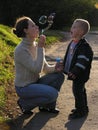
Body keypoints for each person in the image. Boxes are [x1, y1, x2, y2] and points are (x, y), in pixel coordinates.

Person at [13, 16, 64, 114]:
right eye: (33, 26)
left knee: (59, 76)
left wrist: (55, 68)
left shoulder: (35, 45)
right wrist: (41, 48)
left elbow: (45, 68)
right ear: (26, 30)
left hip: (35, 83)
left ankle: (47, 106)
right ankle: (24, 103)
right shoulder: (20, 50)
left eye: (36, 25)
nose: (37, 27)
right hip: (24, 87)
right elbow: (37, 69)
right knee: (53, 94)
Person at [63, 19, 93, 119]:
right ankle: (84, 107)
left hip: (80, 74)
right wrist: (64, 66)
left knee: (77, 91)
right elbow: (69, 57)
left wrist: (75, 71)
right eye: (72, 26)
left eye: (74, 27)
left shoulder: (84, 47)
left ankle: (80, 111)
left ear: (81, 32)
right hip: (76, 73)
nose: (71, 28)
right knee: (81, 90)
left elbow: (82, 61)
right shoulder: (73, 43)